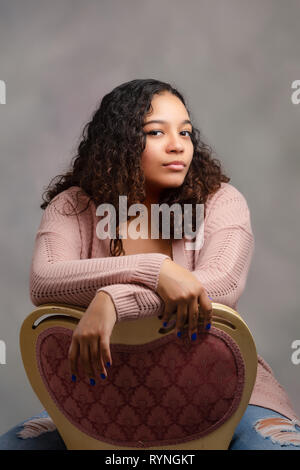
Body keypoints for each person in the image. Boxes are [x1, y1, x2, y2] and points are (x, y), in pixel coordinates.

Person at [1, 79, 299, 450]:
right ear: (120, 141)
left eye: (186, 132)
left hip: (226, 396)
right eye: (156, 132)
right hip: (104, 403)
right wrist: (155, 271)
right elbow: (45, 280)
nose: (178, 145)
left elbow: (219, 284)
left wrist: (114, 299)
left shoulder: (220, 201)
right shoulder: (73, 206)